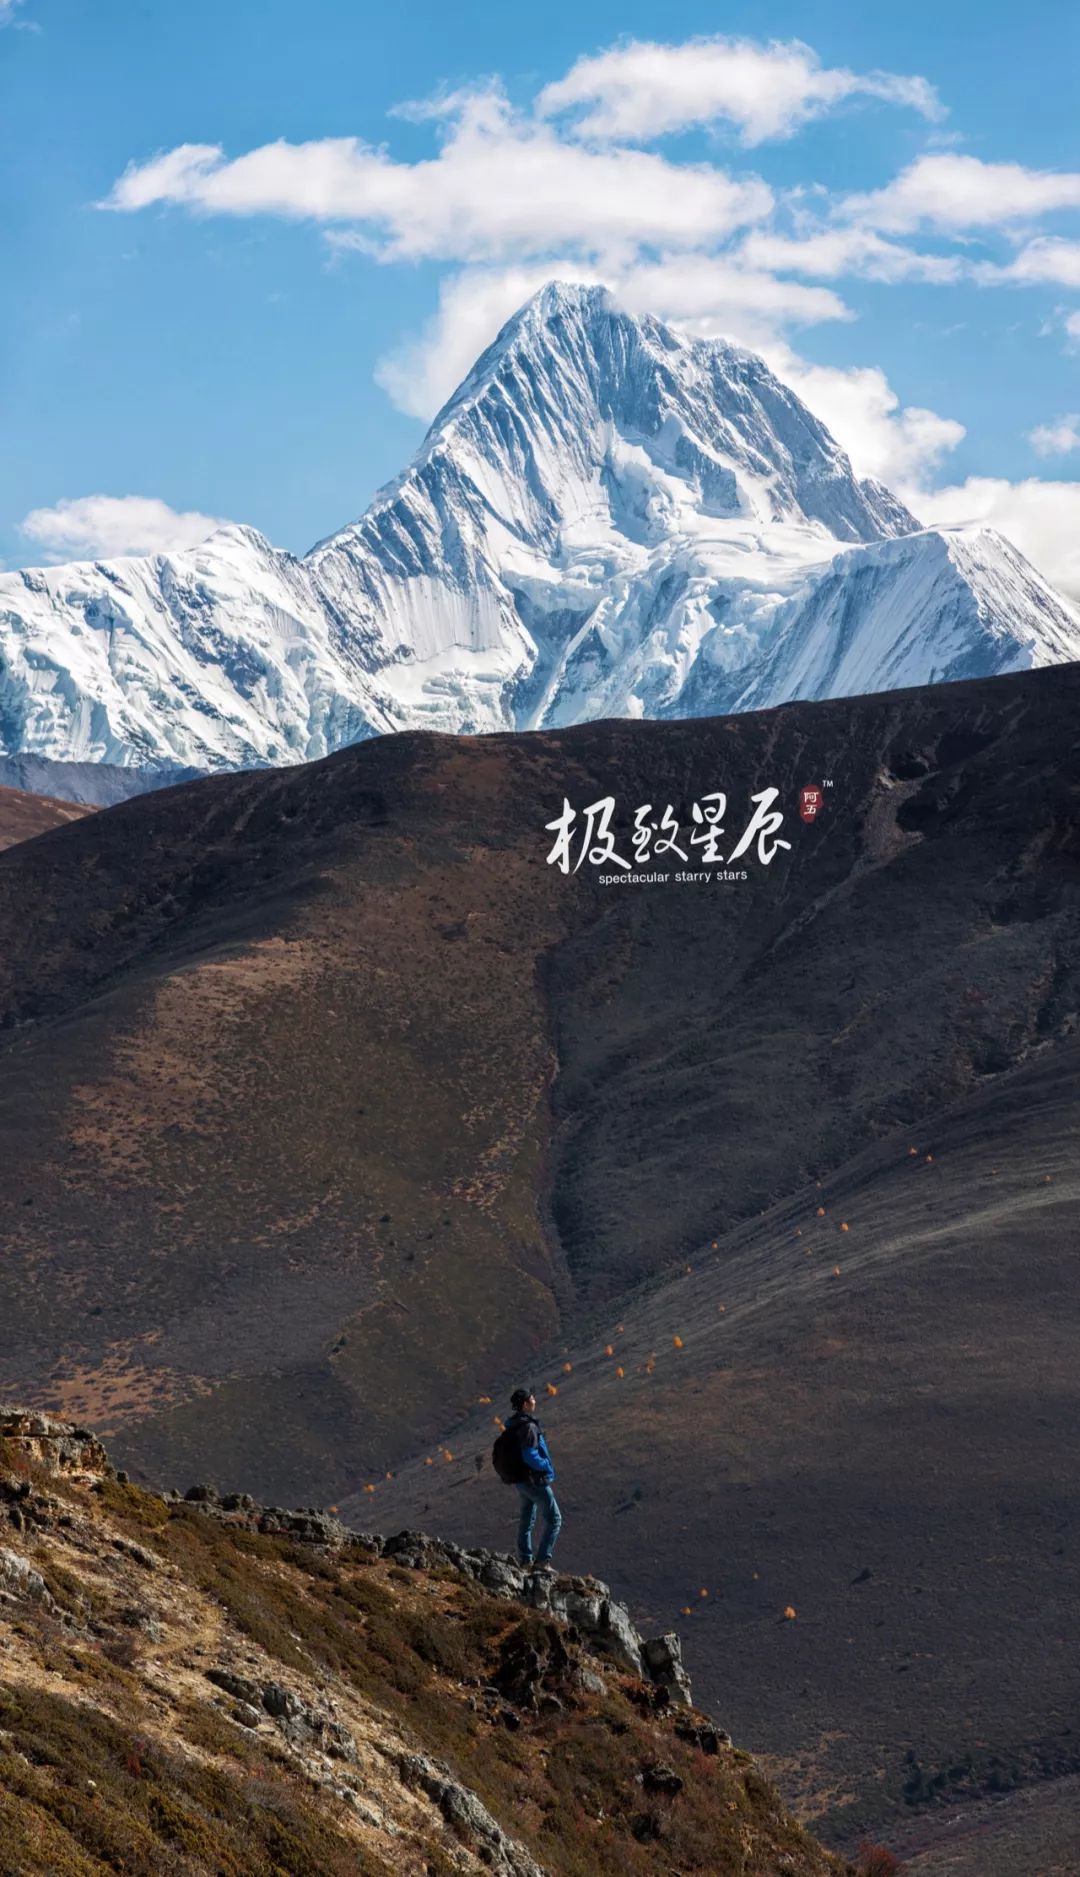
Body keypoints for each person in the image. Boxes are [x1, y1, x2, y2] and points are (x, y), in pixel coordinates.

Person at [507, 1386, 562, 1571]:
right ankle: (542, 1561)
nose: (535, 1401)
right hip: (534, 1480)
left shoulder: (513, 1425)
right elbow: (530, 1455)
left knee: (526, 1520)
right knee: (555, 1519)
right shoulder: (528, 1427)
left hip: (521, 1480)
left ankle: (525, 1559)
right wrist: (546, 1465)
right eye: (532, 1398)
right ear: (525, 1403)